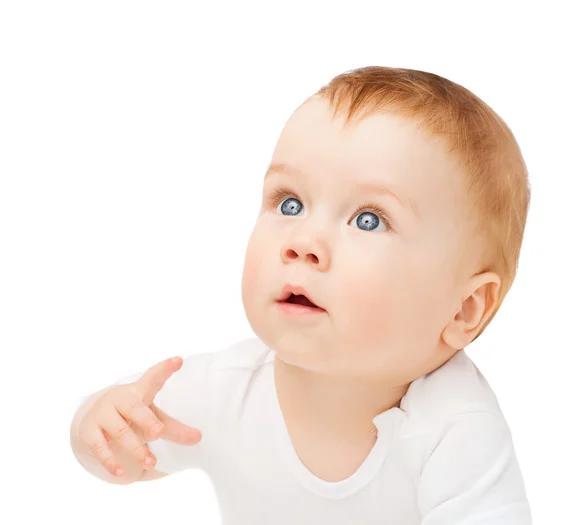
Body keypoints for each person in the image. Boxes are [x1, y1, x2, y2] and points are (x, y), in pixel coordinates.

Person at [70, 66, 532, 524]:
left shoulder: (456, 430)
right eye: (290, 203)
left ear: (464, 309)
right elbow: (125, 461)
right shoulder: (229, 389)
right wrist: (100, 426)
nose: (303, 241)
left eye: (368, 219)